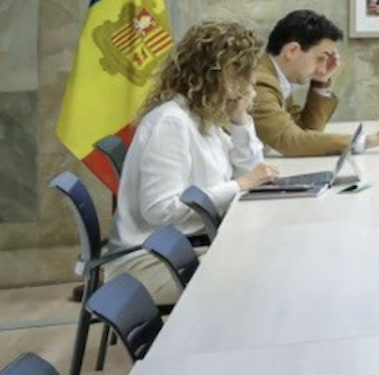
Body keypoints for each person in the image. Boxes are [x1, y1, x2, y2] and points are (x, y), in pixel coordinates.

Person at [113, 20, 280, 297]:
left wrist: (240, 120)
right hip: (147, 261)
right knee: (261, 280)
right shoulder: (171, 122)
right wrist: (239, 186)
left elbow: (252, 172)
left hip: (186, 247)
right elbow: (159, 209)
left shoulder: (203, 117)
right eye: (242, 72)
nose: (251, 83)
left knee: (272, 261)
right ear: (213, 74)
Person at [252, 10, 379, 157]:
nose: (322, 68)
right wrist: (371, 140)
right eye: (320, 58)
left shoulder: (276, 76)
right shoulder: (260, 82)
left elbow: (306, 131)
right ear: (292, 51)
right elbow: (290, 141)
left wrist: (320, 82)